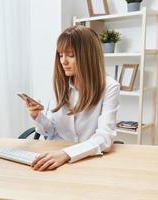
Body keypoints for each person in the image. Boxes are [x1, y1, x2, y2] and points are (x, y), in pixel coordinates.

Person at [24, 25, 120, 171]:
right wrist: (37, 115)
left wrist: (65, 154)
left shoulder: (109, 87)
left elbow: (104, 138)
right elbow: (50, 131)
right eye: (61, 55)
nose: (63, 61)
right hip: (55, 158)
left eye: (70, 55)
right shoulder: (61, 84)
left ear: (87, 56)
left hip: (85, 160)